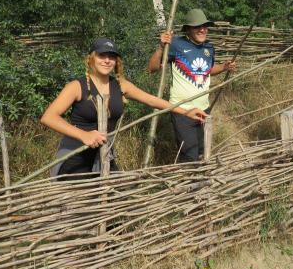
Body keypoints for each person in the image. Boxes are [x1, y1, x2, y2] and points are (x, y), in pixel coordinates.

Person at [41, 38, 207, 178]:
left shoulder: (120, 85)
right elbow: (49, 117)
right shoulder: (76, 86)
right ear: (91, 58)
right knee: (74, 210)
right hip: (75, 158)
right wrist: (83, 135)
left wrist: (185, 111)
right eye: (102, 55)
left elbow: (152, 100)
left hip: (104, 156)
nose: (107, 60)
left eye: (111, 57)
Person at [147, 8, 237, 162]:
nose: (202, 29)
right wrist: (161, 48)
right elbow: (152, 69)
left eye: (204, 26)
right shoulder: (175, 45)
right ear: (188, 29)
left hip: (204, 109)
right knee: (189, 156)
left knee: (203, 152)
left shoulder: (209, 48)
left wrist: (224, 67)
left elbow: (206, 71)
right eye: (197, 26)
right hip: (182, 110)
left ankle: (201, 184)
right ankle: (186, 184)